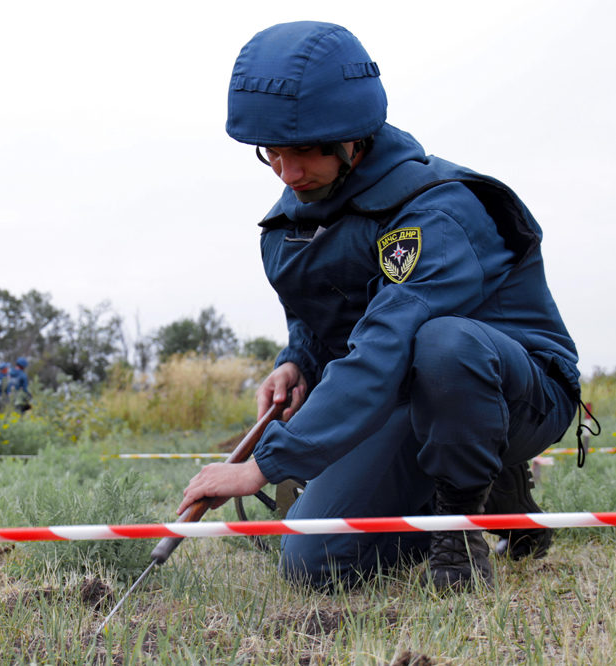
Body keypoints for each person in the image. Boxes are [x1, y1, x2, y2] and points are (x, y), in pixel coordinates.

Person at [177, 21, 582, 591]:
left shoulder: (436, 212)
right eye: (270, 152)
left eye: (302, 151)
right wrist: (296, 361)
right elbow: (326, 322)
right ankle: (489, 478)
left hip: (519, 395)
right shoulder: (300, 216)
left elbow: (387, 342)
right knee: (314, 562)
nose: (286, 173)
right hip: (410, 398)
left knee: (445, 344)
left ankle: (461, 528)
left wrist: (266, 465)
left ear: (354, 137)